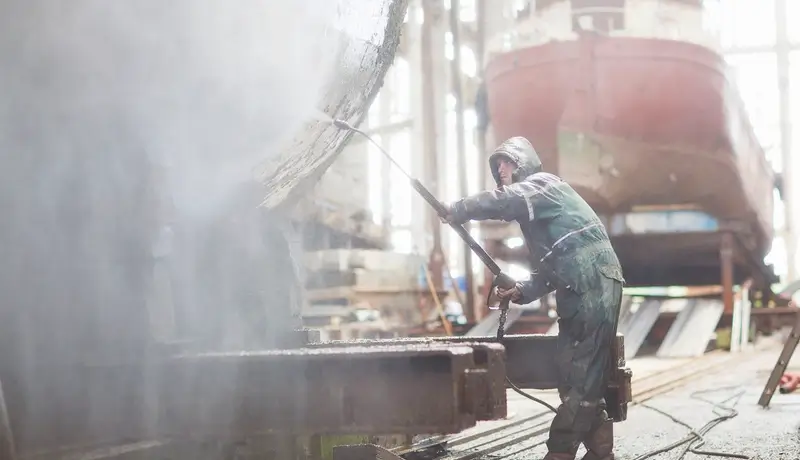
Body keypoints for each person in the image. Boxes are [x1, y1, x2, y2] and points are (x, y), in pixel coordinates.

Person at [442, 137, 624, 460]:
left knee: (580, 378)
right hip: (579, 287)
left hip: (593, 282)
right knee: (572, 376)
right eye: (496, 165)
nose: (500, 170)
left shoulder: (543, 185)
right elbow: (549, 271)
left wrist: (460, 209)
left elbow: (505, 201)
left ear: (524, 163)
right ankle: (601, 450)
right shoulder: (539, 220)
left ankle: (560, 452)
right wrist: (521, 290)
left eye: (506, 162)